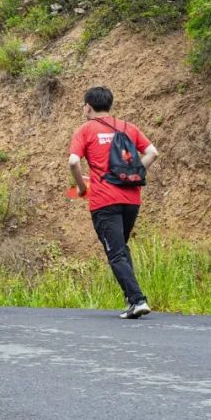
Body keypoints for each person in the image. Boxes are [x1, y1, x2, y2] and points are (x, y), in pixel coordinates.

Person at [69, 86, 158, 320]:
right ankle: (132, 299)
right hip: (132, 199)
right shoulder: (128, 127)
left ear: (88, 107)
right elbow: (152, 152)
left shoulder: (85, 130)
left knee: (115, 253)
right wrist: (135, 173)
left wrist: (81, 187)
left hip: (104, 201)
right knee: (121, 248)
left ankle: (137, 300)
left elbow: (73, 161)